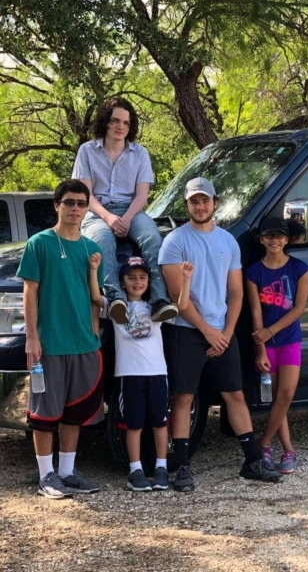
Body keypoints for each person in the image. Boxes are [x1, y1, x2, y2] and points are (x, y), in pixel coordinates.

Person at [158, 176, 283, 491]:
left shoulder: (227, 241)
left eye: (205, 200)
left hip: (222, 332)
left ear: (215, 203)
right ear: (187, 205)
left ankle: (252, 460)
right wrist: (208, 332)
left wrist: (225, 333)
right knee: (184, 396)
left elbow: (236, 294)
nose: (200, 206)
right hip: (187, 331)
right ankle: (182, 466)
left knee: (235, 394)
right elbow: (177, 298)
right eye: (193, 201)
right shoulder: (175, 241)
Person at [17, 179, 104, 499]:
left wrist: (94, 335)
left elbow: (96, 299)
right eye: (69, 203)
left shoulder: (92, 250)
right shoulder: (39, 244)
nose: (76, 209)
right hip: (49, 344)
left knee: (74, 413)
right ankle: (46, 476)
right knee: (45, 413)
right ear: (57, 205)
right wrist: (31, 338)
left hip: (83, 345)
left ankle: (67, 472)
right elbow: (30, 291)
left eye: (82, 203)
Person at [88, 255, 194, 491]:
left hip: (157, 372)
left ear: (149, 281)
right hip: (129, 373)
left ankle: (161, 467)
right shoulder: (118, 307)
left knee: (159, 422)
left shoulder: (156, 308)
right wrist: (94, 270)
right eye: (131, 277)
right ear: (122, 282)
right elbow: (96, 299)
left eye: (142, 277)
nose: (137, 282)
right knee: (133, 424)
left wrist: (186, 279)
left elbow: (182, 307)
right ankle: (135, 469)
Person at [72, 96, 177, 325]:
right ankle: (114, 298)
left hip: (131, 210)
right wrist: (109, 218)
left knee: (152, 239)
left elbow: (142, 195)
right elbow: (85, 195)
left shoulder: (140, 153)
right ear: (105, 122)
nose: (121, 127)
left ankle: (160, 300)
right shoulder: (87, 151)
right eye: (115, 121)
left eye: (126, 123)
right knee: (102, 241)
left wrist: (126, 219)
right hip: (97, 211)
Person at [245, 217, 308, 474]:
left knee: (286, 395)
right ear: (261, 239)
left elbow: (299, 308)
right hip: (266, 344)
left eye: (279, 236)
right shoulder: (254, 272)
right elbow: (255, 310)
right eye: (269, 236)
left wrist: (271, 330)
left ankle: (262, 444)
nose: (274, 240)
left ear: (287, 239)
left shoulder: (299, 268)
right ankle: (288, 451)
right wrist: (260, 347)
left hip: (290, 340)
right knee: (275, 399)